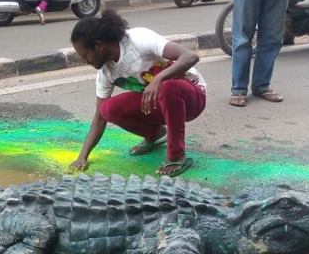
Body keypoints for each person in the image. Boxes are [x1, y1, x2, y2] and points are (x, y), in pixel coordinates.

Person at [69, 10, 207, 178]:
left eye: (85, 55)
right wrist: (82, 157)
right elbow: (99, 118)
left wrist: (159, 78)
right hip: (159, 102)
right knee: (107, 109)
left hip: (192, 96)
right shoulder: (106, 72)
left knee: (167, 87)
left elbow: (190, 56)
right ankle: (154, 134)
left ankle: (177, 156)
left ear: (98, 46)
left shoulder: (138, 39)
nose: (86, 61)